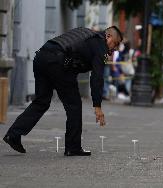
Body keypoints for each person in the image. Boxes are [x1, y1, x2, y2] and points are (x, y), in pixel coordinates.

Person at [3, 26, 123, 156]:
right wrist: (97, 106)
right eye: (115, 44)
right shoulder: (100, 45)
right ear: (108, 36)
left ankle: (13, 135)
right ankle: (73, 147)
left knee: (41, 101)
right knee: (74, 105)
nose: (115, 48)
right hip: (58, 62)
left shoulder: (86, 34)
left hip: (41, 56)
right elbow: (97, 77)